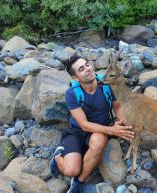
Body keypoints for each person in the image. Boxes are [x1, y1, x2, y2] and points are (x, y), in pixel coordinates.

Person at [49, 55, 134, 193]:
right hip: (76, 132)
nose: (88, 69)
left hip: (99, 132)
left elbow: (117, 107)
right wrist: (113, 130)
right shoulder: (72, 94)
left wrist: (125, 124)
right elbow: (83, 125)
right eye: (81, 69)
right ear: (76, 78)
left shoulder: (106, 85)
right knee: (71, 170)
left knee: (100, 141)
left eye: (87, 65)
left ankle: (79, 182)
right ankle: (58, 156)